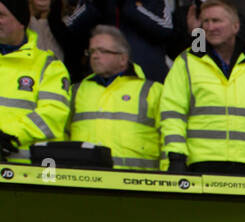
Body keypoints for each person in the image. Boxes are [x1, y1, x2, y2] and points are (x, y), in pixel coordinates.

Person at [159, 0, 245, 176]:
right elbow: (172, 114)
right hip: (201, 163)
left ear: (236, 26)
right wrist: (176, 158)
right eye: (205, 22)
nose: (210, 26)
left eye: (216, 20)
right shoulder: (186, 62)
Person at [66, 25, 161, 170]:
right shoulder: (76, 91)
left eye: (103, 51)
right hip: (84, 183)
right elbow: (62, 137)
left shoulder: (152, 91)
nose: (95, 56)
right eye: (91, 51)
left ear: (123, 58)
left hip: (137, 185)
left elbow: (168, 138)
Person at [0, 0, 70, 161]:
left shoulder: (49, 66)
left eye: (1, 15)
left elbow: (52, 115)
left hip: (27, 173)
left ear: (21, 22)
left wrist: (8, 135)